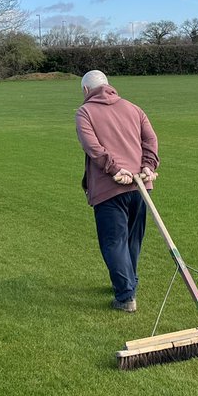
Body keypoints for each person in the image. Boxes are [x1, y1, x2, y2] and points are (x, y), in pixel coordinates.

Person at [75, 70, 159, 313]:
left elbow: (92, 147)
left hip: (110, 187)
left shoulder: (85, 112)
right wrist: (147, 165)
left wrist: (113, 170)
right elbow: (150, 140)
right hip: (141, 186)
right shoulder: (134, 108)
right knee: (132, 239)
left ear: (85, 91)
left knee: (114, 242)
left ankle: (125, 296)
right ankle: (127, 283)